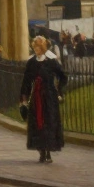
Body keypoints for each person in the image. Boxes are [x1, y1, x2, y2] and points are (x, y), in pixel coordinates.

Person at [19, 36, 68, 164]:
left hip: (50, 97)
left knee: (49, 124)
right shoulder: (31, 63)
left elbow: (62, 77)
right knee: (38, 124)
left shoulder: (51, 62)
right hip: (37, 97)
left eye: (39, 47)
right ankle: (41, 152)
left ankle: (48, 152)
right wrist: (23, 100)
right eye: (35, 47)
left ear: (43, 47)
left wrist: (59, 90)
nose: (36, 50)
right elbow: (26, 82)